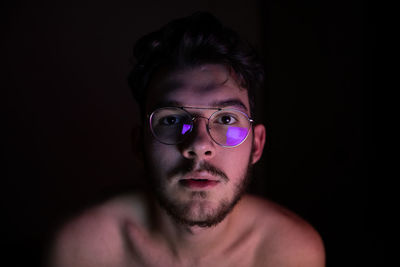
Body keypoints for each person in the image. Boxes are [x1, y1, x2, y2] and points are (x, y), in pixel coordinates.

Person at [48, 12, 325, 267]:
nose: (198, 145)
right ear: (139, 144)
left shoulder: (290, 251)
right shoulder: (82, 250)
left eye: (226, 119)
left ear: (257, 144)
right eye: (171, 120)